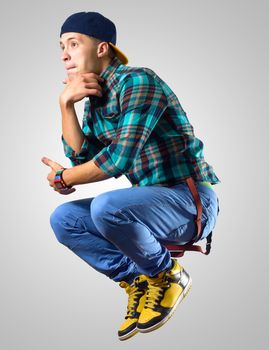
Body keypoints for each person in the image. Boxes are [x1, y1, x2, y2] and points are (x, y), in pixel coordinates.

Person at [42, 11, 220, 341]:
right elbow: (82, 158)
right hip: (150, 205)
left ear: (102, 48)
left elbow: (116, 161)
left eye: (73, 43)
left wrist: (67, 177)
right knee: (64, 218)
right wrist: (66, 105)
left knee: (107, 206)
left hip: (190, 202)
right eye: (61, 46)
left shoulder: (138, 81)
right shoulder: (95, 102)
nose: (64, 54)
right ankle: (138, 279)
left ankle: (167, 276)